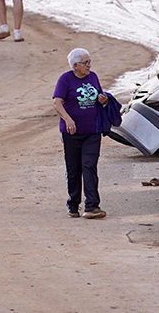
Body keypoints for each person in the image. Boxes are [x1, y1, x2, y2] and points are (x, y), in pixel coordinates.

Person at [52, 48, 108, 219]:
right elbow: (57, 103)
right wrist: (68, 119)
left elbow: (99, 94)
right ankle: (73, 204)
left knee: (89, 166)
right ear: (75, 65)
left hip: (92, 131)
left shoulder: (93, 77)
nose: (89, 65)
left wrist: (103, 99)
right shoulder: (65, 79)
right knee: (74, 168)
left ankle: (92, 206)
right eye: (86, 63)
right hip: (72, 133)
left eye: (90, 62)